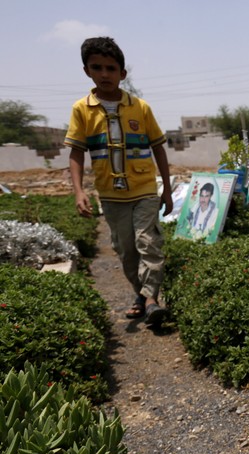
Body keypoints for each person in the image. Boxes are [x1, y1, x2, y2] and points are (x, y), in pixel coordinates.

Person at [65, 37, 172, 326]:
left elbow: (158, 148)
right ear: (87, 70)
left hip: (145, 190)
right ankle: (141, 296)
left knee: (147, 242)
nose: (104, 74)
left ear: (122, 73)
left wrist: (167, 189)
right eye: (97, 68)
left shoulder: (140, 107)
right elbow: (76, 152)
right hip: (111, 195)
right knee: (126, 250)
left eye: (111, 68)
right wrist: (78, 191)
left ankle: (151, 299)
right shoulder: (82, 109)